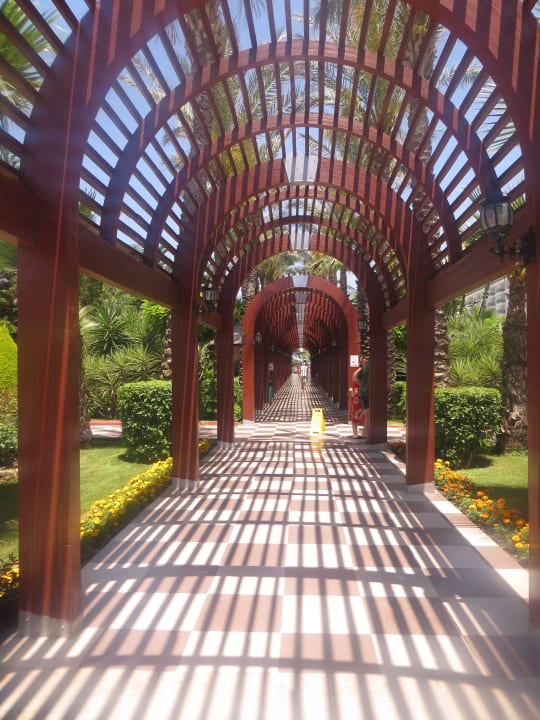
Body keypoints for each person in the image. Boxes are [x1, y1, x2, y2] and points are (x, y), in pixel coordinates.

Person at [351, 356, 369, 437]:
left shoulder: (363, 371)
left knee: (365, 413)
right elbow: (356, 380)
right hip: (357, 394)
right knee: (357, 412)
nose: (365, 363)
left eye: (366, 362)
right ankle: (355, 433)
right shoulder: (359, 371)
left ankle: (364, 432)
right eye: (364, 362)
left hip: (361, 394)